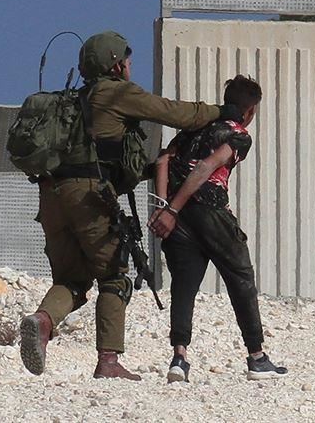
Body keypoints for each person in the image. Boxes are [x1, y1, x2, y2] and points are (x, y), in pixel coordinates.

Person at [19, 31, 243, 381]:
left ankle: (43, 320)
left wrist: (150, 169)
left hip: (51, 195)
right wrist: (220, 111)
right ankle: (108, 362)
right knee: (113, 276)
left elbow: (103, 157)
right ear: (115, 64)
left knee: (73, 279)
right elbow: (177, 114)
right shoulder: (117, 93)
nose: (129, 65)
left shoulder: (73, 101)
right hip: (88, 196)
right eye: (126, 60)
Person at [150, 75, 288, 382]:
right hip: (210, 212)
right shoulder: (238, 135)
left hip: (179, 219)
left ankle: (179, 358)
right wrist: (172, 209)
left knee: (184, 286)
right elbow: (205, 168)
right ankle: (257, 358)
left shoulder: (193, 129)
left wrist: (164, 207)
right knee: (241, 279)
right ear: (250, 110)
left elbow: (162, 161)